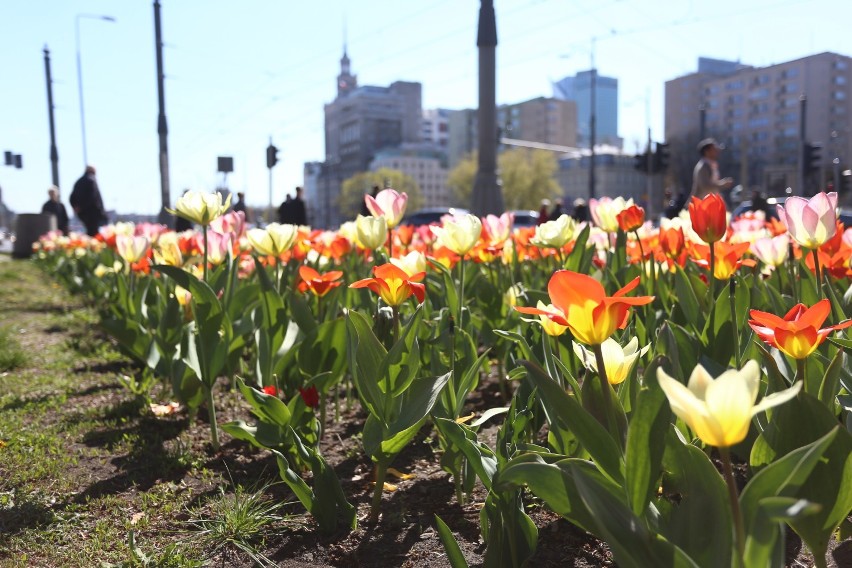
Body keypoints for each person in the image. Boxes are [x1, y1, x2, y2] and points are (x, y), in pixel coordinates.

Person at [69, 165, 107, 237]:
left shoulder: (78, 182)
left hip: (82, 214)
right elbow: (93, 197)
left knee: (89, 232)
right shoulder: (91, 180)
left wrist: (76, 207)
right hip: (93, 213)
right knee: (95, 234)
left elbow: (71, 197)